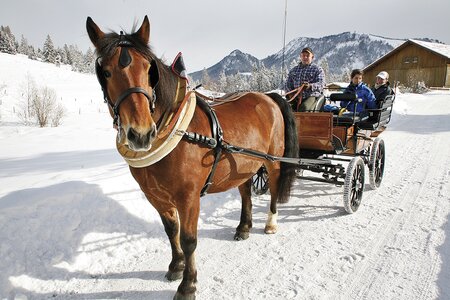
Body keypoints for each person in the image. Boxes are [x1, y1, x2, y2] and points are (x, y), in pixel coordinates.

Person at [285, 47, 325, 111]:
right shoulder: (293, 70)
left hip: (311, 96)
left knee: (304, 108)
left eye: (307, 56)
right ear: (300, 57)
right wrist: (290, 94)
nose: (305, 57)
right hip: (295, 97)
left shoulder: (317, 69)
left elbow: (321, 84)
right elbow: (287, 84)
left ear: (312, 57)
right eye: (303, 55)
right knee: (285, 108)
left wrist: (310, 86)